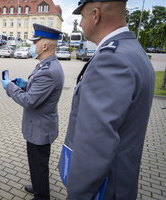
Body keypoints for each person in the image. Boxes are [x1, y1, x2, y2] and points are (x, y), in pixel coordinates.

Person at [58, 1, 155, 199]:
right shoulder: (133, 51)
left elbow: (95, 145)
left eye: (82, 16)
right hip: (120, 183)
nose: (81, 23)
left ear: (95, 15)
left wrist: (77, 194)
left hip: (102, 190)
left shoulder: (111, 60)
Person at [1, 23, 65, 200]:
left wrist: (11, 87)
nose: (32, 45)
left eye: (34, 42)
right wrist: (26, 84)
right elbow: (39, 91)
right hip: (40, 126)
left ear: (44, 46)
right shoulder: (46, 65)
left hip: (40, 128)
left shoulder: (48, 70)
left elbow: (29, 101)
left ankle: (41, 195)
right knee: (37, 163)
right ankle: (38, 186)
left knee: (39, 165)